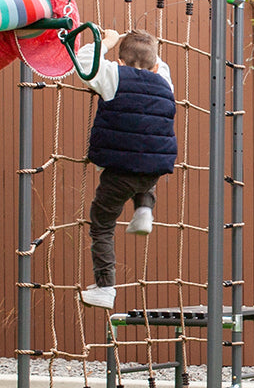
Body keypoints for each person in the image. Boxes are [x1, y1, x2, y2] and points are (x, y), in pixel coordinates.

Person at [72, 29, 176, 309]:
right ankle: (144, 209)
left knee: (102, 224)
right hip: (153, 170)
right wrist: (150, 51)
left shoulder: (113, 75)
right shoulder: (164, 81)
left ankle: (105, 287)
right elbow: (157, 64)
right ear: (156, 65)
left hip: (119, 172)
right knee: (145, 156)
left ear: (119, 62)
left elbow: (83, 64)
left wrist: (105, 42)